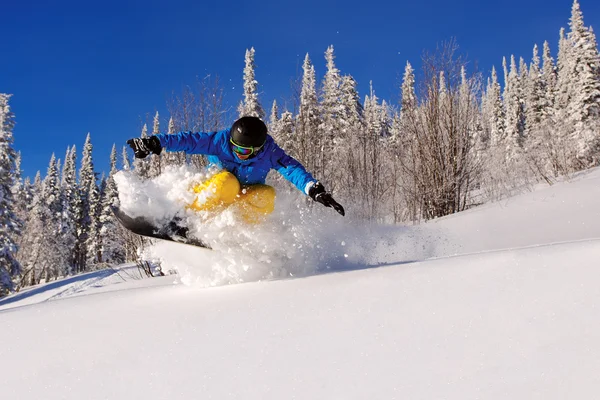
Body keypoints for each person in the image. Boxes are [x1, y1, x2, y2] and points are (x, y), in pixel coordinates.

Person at [127, 116, 344, 223]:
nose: (239, 153)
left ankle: (238, 234)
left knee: (267, 195)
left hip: (245, 193)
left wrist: (314, 189)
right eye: (236, 147)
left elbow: (292, 169)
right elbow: (189, 140)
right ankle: (188, 220)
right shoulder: (219, 142)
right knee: (227, 183)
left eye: (246, 150)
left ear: (258, 148)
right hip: (217, 187)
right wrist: (155, 142)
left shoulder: (270, 152)